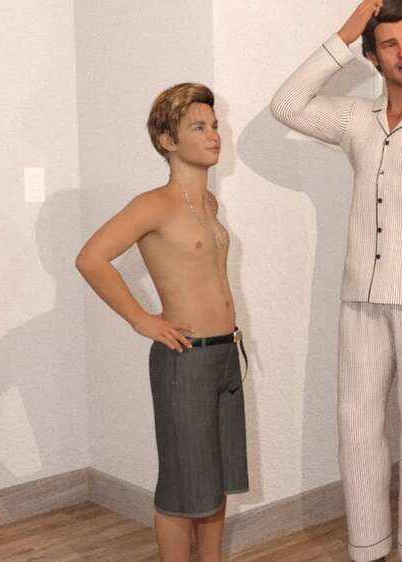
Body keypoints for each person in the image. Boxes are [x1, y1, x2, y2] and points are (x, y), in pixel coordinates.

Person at [270, 1, 402, 560]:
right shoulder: (355, 121)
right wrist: (345, 33)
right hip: (360, 297)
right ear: (373, 57)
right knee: (358, 427)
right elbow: (286, 104)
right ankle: (367, 546)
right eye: (389, 44)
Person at [75, 83, 248, 562]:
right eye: (199, 127)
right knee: (181, 486)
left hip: (224, 354)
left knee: (215, 480)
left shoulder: (210, 205)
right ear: (167, 140)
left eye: (214, 125)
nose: (214, 135)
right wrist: (141, 319)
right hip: (184, 360)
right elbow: (91, 258)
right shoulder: (153, 204)